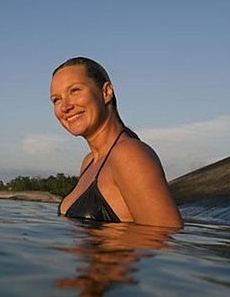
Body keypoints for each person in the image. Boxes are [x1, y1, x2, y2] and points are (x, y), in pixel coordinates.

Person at [50, 57, 182, 227]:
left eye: (75, 90)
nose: (65, 106)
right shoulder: (89, 161)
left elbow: (165, 236)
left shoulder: (128, 154)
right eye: (56, 99)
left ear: (106, 92)